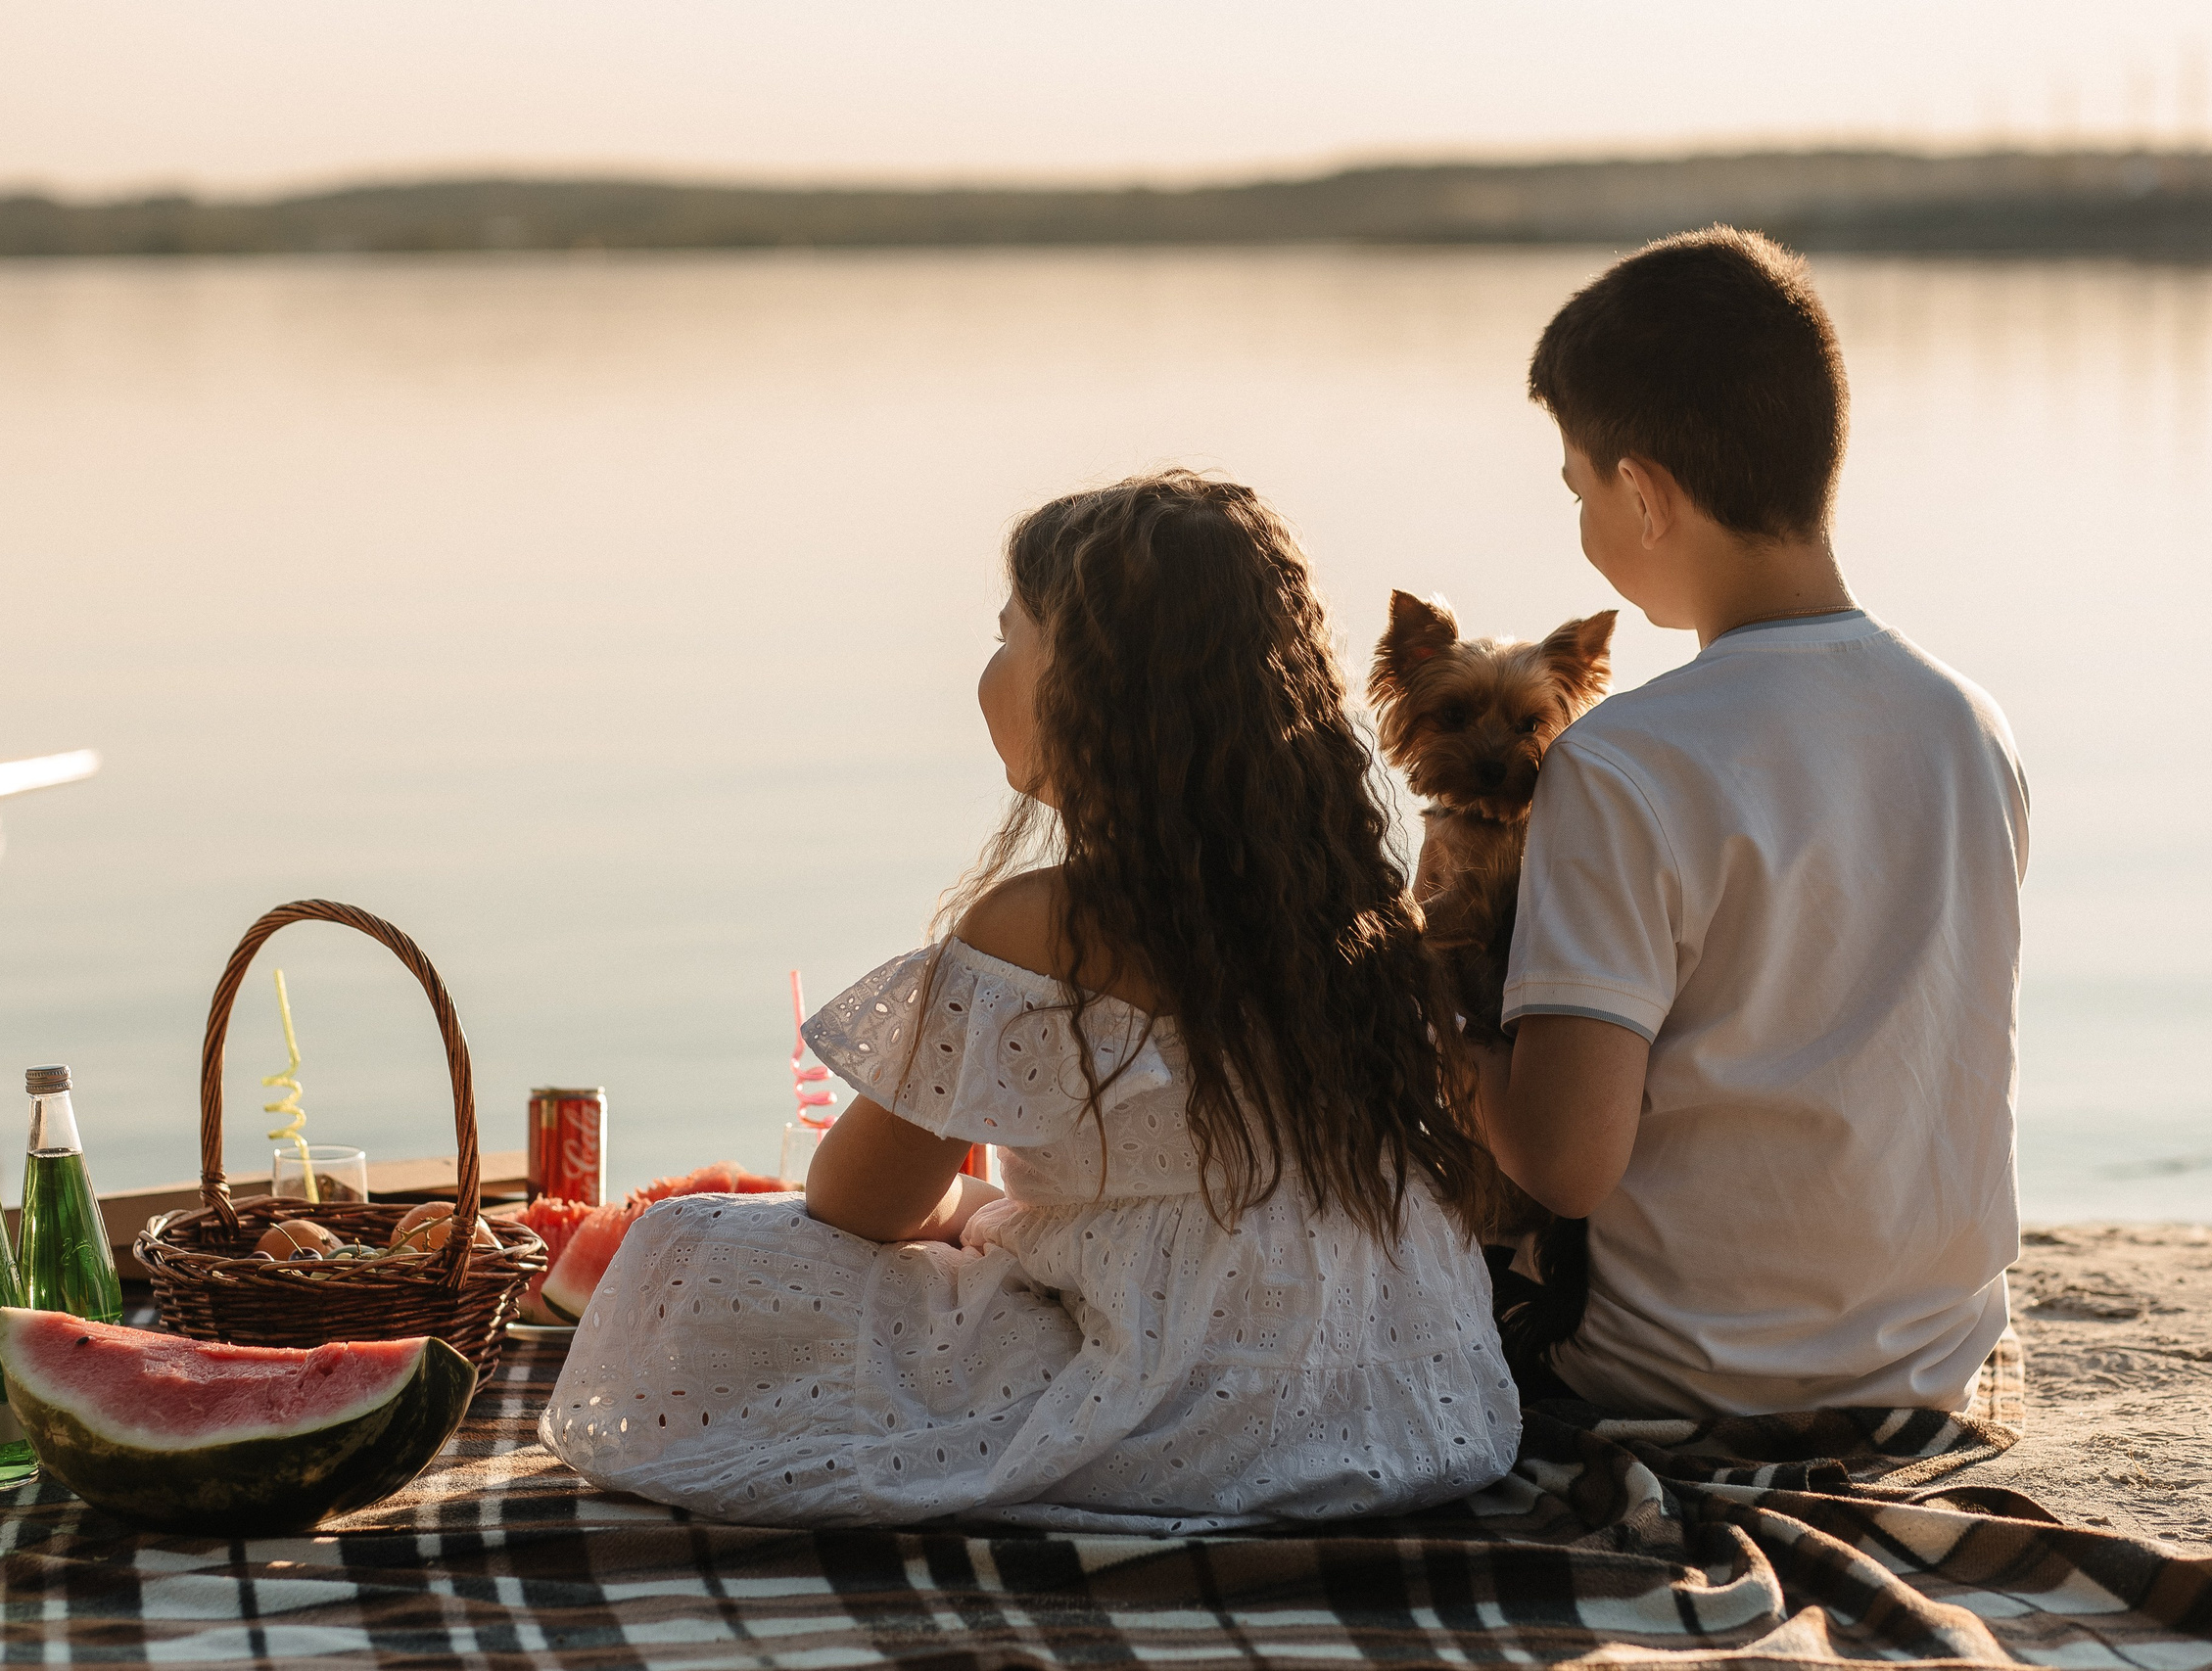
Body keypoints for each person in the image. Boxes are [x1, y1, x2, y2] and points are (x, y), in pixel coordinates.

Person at [540, 472, 1520, 1531]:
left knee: (687, 1252)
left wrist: (970, 1216)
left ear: (1089, 688)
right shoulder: (1367, 910)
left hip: (1182, 1407)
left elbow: (856, 1203)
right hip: (1408, 1405)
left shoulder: (1044, 922)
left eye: (1009, 636)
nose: (988, 670)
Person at [1481, 227, 2029, 1417]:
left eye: (1578, 489)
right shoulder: (1968, 726)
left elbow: (1567, 1163)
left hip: (1674, 1379)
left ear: (1642, 492)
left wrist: (1434, 1021)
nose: (1580, 523)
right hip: (1930, 1366)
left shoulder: (1622, 763)